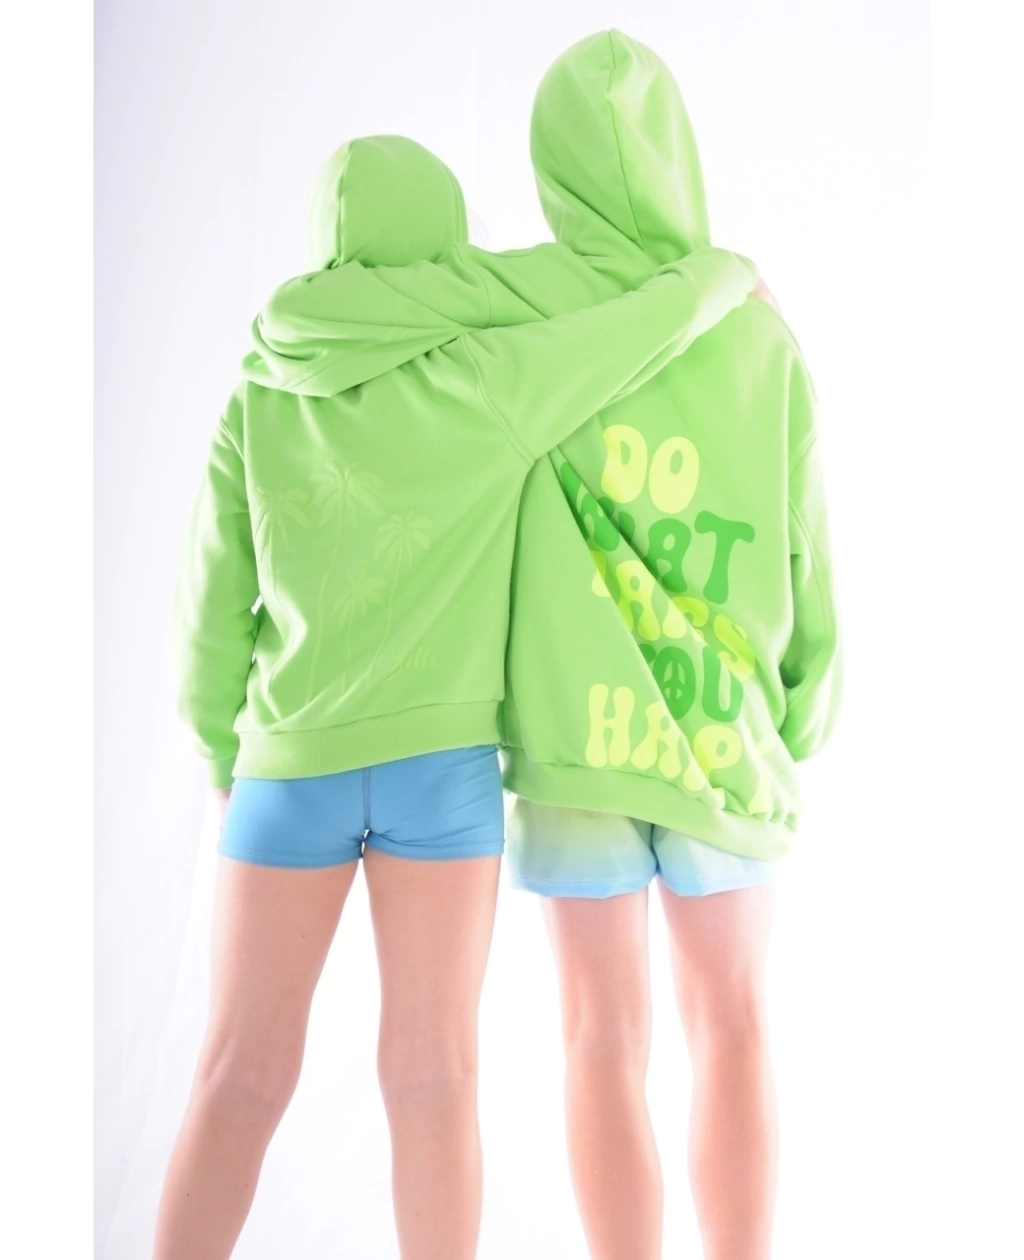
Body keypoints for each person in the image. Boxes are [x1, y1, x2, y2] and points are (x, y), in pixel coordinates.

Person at [260, 30, 841, 1260]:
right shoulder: (760, 336)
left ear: (549, 168)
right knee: (734, 1024)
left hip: (577, 750)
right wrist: (804, 709)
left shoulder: (518, 303)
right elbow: (806, 549)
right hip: (725, 740)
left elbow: (379, 300)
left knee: (597, 1039)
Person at [160, 130, 761, 1260]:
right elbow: (631, 328)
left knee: (236, 1075)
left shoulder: (259, 392)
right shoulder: (486, 382)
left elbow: (209, 607)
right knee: (435, 1079)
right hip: (440, 783)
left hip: (287, 774)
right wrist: (725, 270)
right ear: (448, 248)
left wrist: (218, 756)